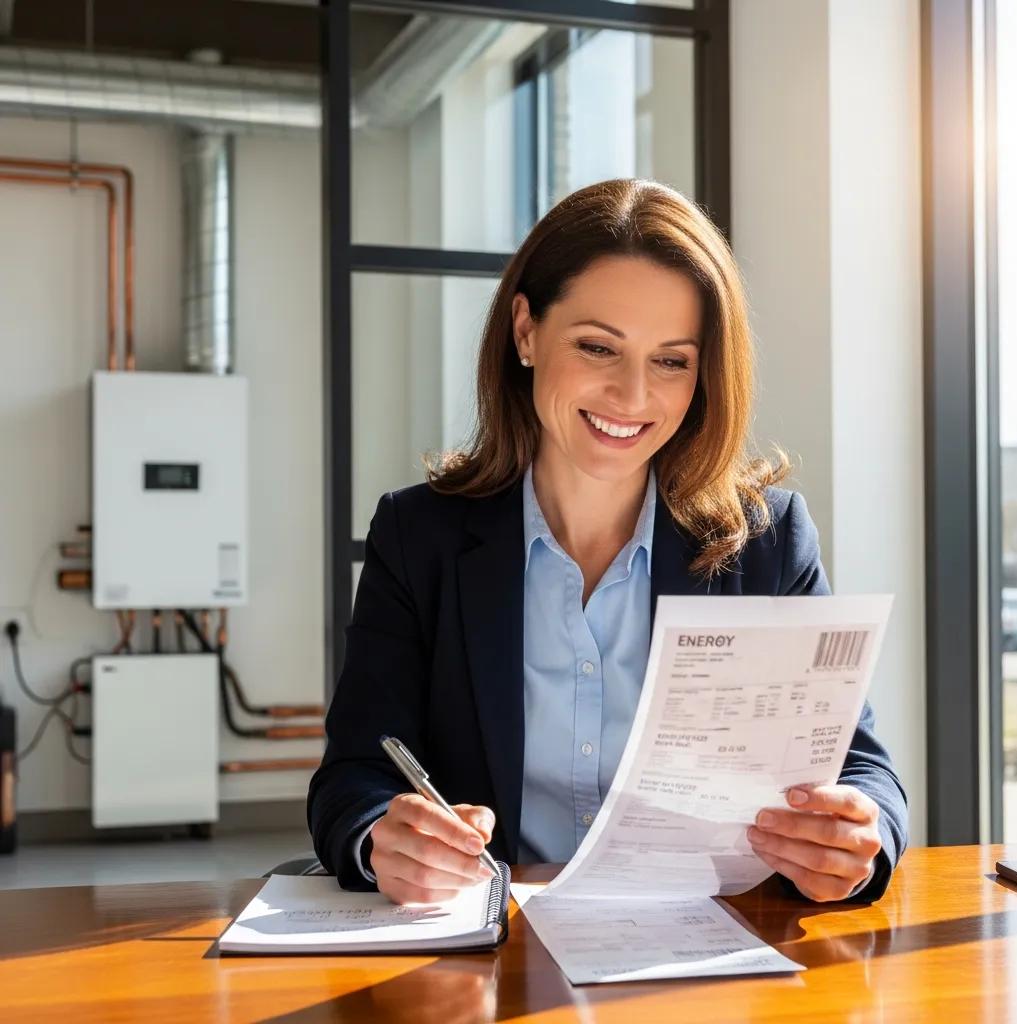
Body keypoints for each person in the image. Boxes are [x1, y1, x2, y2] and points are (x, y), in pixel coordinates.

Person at [308, 178, 908, 906]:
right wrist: (382, 837)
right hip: (491, 958)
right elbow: (354, 774)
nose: (632, 397)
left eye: (672, 360)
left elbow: (861, 770)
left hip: (705, 951)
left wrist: (856, 839)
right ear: (525, 331)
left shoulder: (768, 543)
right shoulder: (418, 537)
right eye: (598, 347)